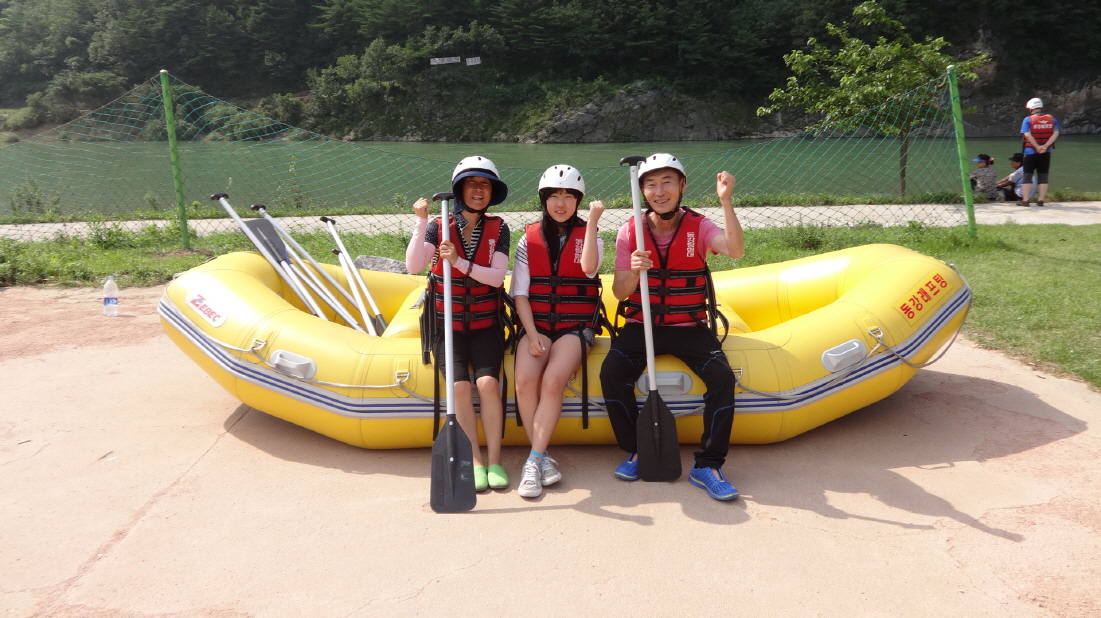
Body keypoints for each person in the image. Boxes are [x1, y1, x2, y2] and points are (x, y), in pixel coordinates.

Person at [599, 153, 744, 501]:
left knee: (722, 377)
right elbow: (619, 292)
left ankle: (708, 465)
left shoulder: (700, 226)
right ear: (642, 192)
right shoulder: (630, 231)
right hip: (642, 324)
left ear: (682, 187)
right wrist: (634, 271)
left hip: (688, 325)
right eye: (651, 184)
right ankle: (637, 449)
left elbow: (735, 250)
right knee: (612, 373)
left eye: (667, 182)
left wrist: (726, 201)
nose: (659, 191)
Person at [406, 156, 511, 491]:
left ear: (492, 192)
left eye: (485, 184)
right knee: (460, 387)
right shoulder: (438, 226)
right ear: (460, 190)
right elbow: (413, 265)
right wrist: (421, 221)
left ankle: (495, 460)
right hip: (446, 326)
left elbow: (497, 278)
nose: (478, 190)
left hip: (485, 324)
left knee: (488, 384)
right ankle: (475, 460)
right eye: (472, 184)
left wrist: (459, 262)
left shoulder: (499, 228)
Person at [510, 165, 605, 498]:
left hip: (575, 328)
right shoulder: (528, 239)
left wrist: (591, 223)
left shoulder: (591, 235)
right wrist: (532, 333)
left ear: (578, 201)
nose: (561, 203)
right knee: (524, 381)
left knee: (552, 381)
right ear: (544, 200)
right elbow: (520, 293)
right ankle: (543, 458)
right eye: (554, 196)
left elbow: (589, 269)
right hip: (537, 324)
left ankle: (532, 462)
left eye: (568, 196)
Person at [1019, 97, 1060, 207]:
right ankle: (1041, 200)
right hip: (1046, 152)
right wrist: (1045, 146)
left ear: (1031, 108)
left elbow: (1027, 134)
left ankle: (1025, 200)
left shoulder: (1028, 120)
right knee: (1043, 175)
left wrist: (1037, 146)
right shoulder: (1052, 119)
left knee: (1027, 175)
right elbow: (1055, 134)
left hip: (1030, 152)